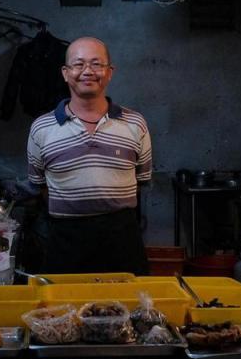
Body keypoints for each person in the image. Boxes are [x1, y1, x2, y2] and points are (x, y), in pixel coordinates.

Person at [26, 37, 152, 275]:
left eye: (96, 64)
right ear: (65, 73)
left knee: (128, 308)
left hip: (122, 239)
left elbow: (141, 180)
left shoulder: (135, 123)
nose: (87, 71)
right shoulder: (41, 128)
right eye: (78, 64)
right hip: (65, 240)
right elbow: (40, 185)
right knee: (63, 310)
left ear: (109, 72)